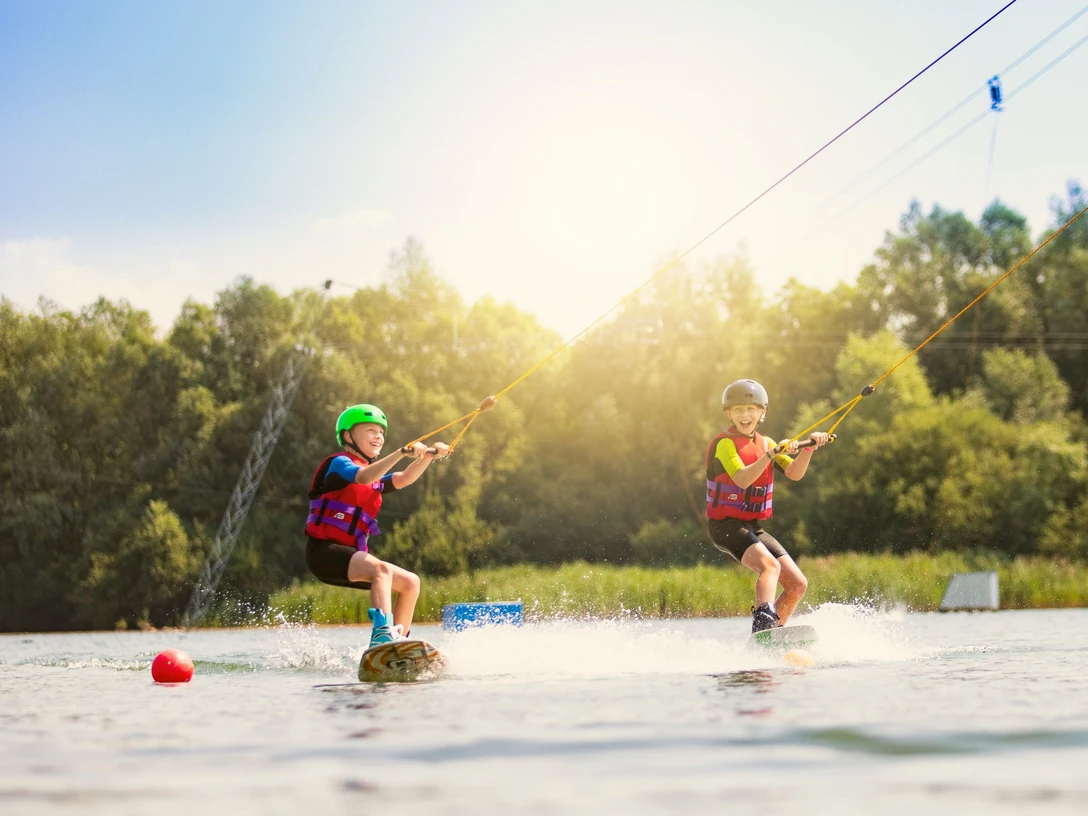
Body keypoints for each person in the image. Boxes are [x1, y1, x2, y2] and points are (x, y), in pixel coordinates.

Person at [305, 403, 448, 648]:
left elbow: (404, 479)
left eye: (381, 432)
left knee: (411, 583)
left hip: (351, 557)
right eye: (370, 430)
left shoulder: (376, 479)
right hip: (323, 553)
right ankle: (382, 636)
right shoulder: (339, 464)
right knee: (382, 570)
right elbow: (363, 477)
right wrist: (401, 452)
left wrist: (429, 455)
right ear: (348, 436)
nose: (378, 436)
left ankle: (399, 644)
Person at [704, 380, 830, 633]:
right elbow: (741, 479)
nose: (745, 415)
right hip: (724, 526)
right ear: (728, 413)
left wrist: (808, 449)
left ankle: (772, 635)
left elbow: (794, 473)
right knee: (769, 566)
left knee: (797, 584)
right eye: (738, 409)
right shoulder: (724, 443)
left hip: (752, 526)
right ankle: (763, 625)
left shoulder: (766, 444)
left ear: (763, 412)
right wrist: (771, 455)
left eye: (751, 409)